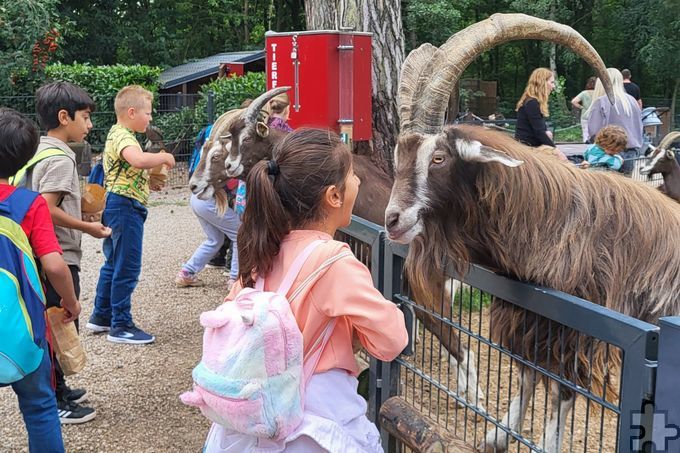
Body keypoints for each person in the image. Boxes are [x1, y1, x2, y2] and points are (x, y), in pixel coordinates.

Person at [203, 128, 408, 452]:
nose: (357, 182)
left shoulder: (263, 248)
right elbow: (391, 340)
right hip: (314, 423)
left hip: (253, 423)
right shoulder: (333, 261)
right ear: (334, 196)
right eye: (354, 175)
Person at [23, 81, 111, 423]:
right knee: (57, 323)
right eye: (86, 118)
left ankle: (58, 387)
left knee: (50, 323)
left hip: (33, 253)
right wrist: (88, 227)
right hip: (55, 254)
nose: (89, 125)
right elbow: (45, 209)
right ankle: (57, 399)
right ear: (64, 117)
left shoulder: (37, 150)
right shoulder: (60, 158)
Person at [0, 108, 82, 452]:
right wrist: (71, 302)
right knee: (40, 406)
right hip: (23, 328)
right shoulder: (27, 203)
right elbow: (55, 265)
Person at [88, 85, 175, 344]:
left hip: (117, 203)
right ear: (132, 111)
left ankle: (101, 316)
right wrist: (164, 156)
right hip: (126, 207)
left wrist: (149, 181)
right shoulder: (125, 136)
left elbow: (128, 169)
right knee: (128, 266)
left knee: (113, 262)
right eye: (148, 113)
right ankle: (121, 325)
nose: (150, 119)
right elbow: (137, 160)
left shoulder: (118, 135)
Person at [175, 187, 241, 291]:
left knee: (214, 240)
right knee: (240, 234)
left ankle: (186, 273)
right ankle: (235, 280)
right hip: (209, 200)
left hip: (197, 198)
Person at [586, 68, 643, 172]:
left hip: (608, 154)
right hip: (631, 153)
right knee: (625, 186)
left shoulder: (601, 101)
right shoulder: (632, 101)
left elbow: (594, 132)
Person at [514, 68, 556, 147]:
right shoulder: (532, 103)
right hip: (528, 147)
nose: (553, 86)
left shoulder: (530, 102)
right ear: (542, 83)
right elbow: (539, 132)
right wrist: (556, 151)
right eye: (552, 82)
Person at [571, 76, 597, 142]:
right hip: (596, 115)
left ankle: (585, 145)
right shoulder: (598, 93)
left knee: (585, 133)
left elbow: (574, 101)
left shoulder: (584, 93)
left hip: (585, 115)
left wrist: (582, 107)